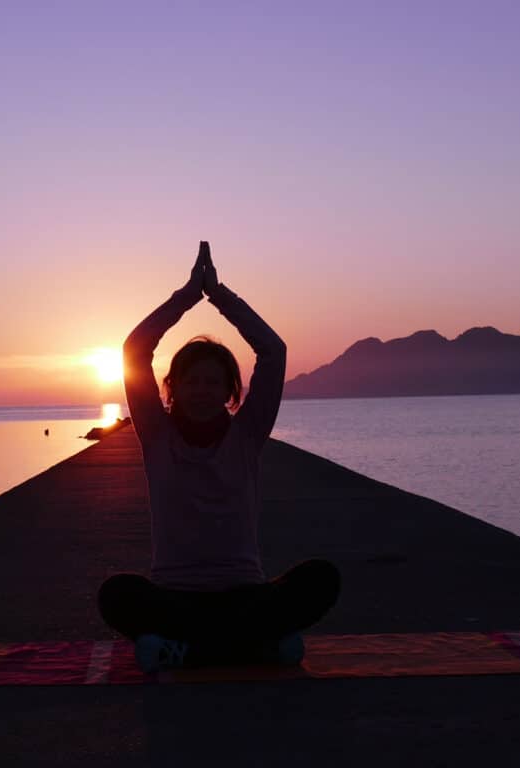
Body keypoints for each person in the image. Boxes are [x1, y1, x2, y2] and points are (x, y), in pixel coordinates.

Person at [98, 241, 341, 672]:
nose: (203, 390)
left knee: (321, 578)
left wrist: (221, 296)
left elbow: (273, 352)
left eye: (214, 382)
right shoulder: (157, 434)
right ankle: (256, 651)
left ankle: (189, 653)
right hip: (176, 599)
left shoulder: (247, 434)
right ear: (172, 387)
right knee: (116, 594)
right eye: (192, 381)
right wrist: (188, 296)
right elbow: (135, 350)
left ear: (231, 391)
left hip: (244, 595)